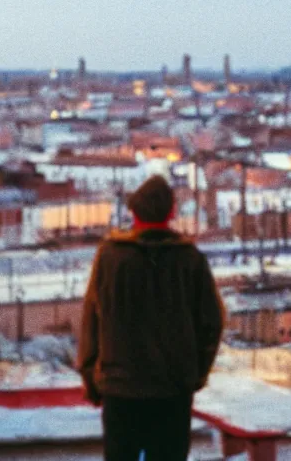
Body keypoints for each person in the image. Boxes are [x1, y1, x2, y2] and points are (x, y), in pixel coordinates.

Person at [77, 175, 225, 461]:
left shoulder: (110, 258)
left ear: (133, 212)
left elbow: (91, 321)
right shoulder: (190, 259)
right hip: (172, 392)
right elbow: (212, 324)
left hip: (121, 389)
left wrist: (92, 378)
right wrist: (194, 375)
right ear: (171, 213)